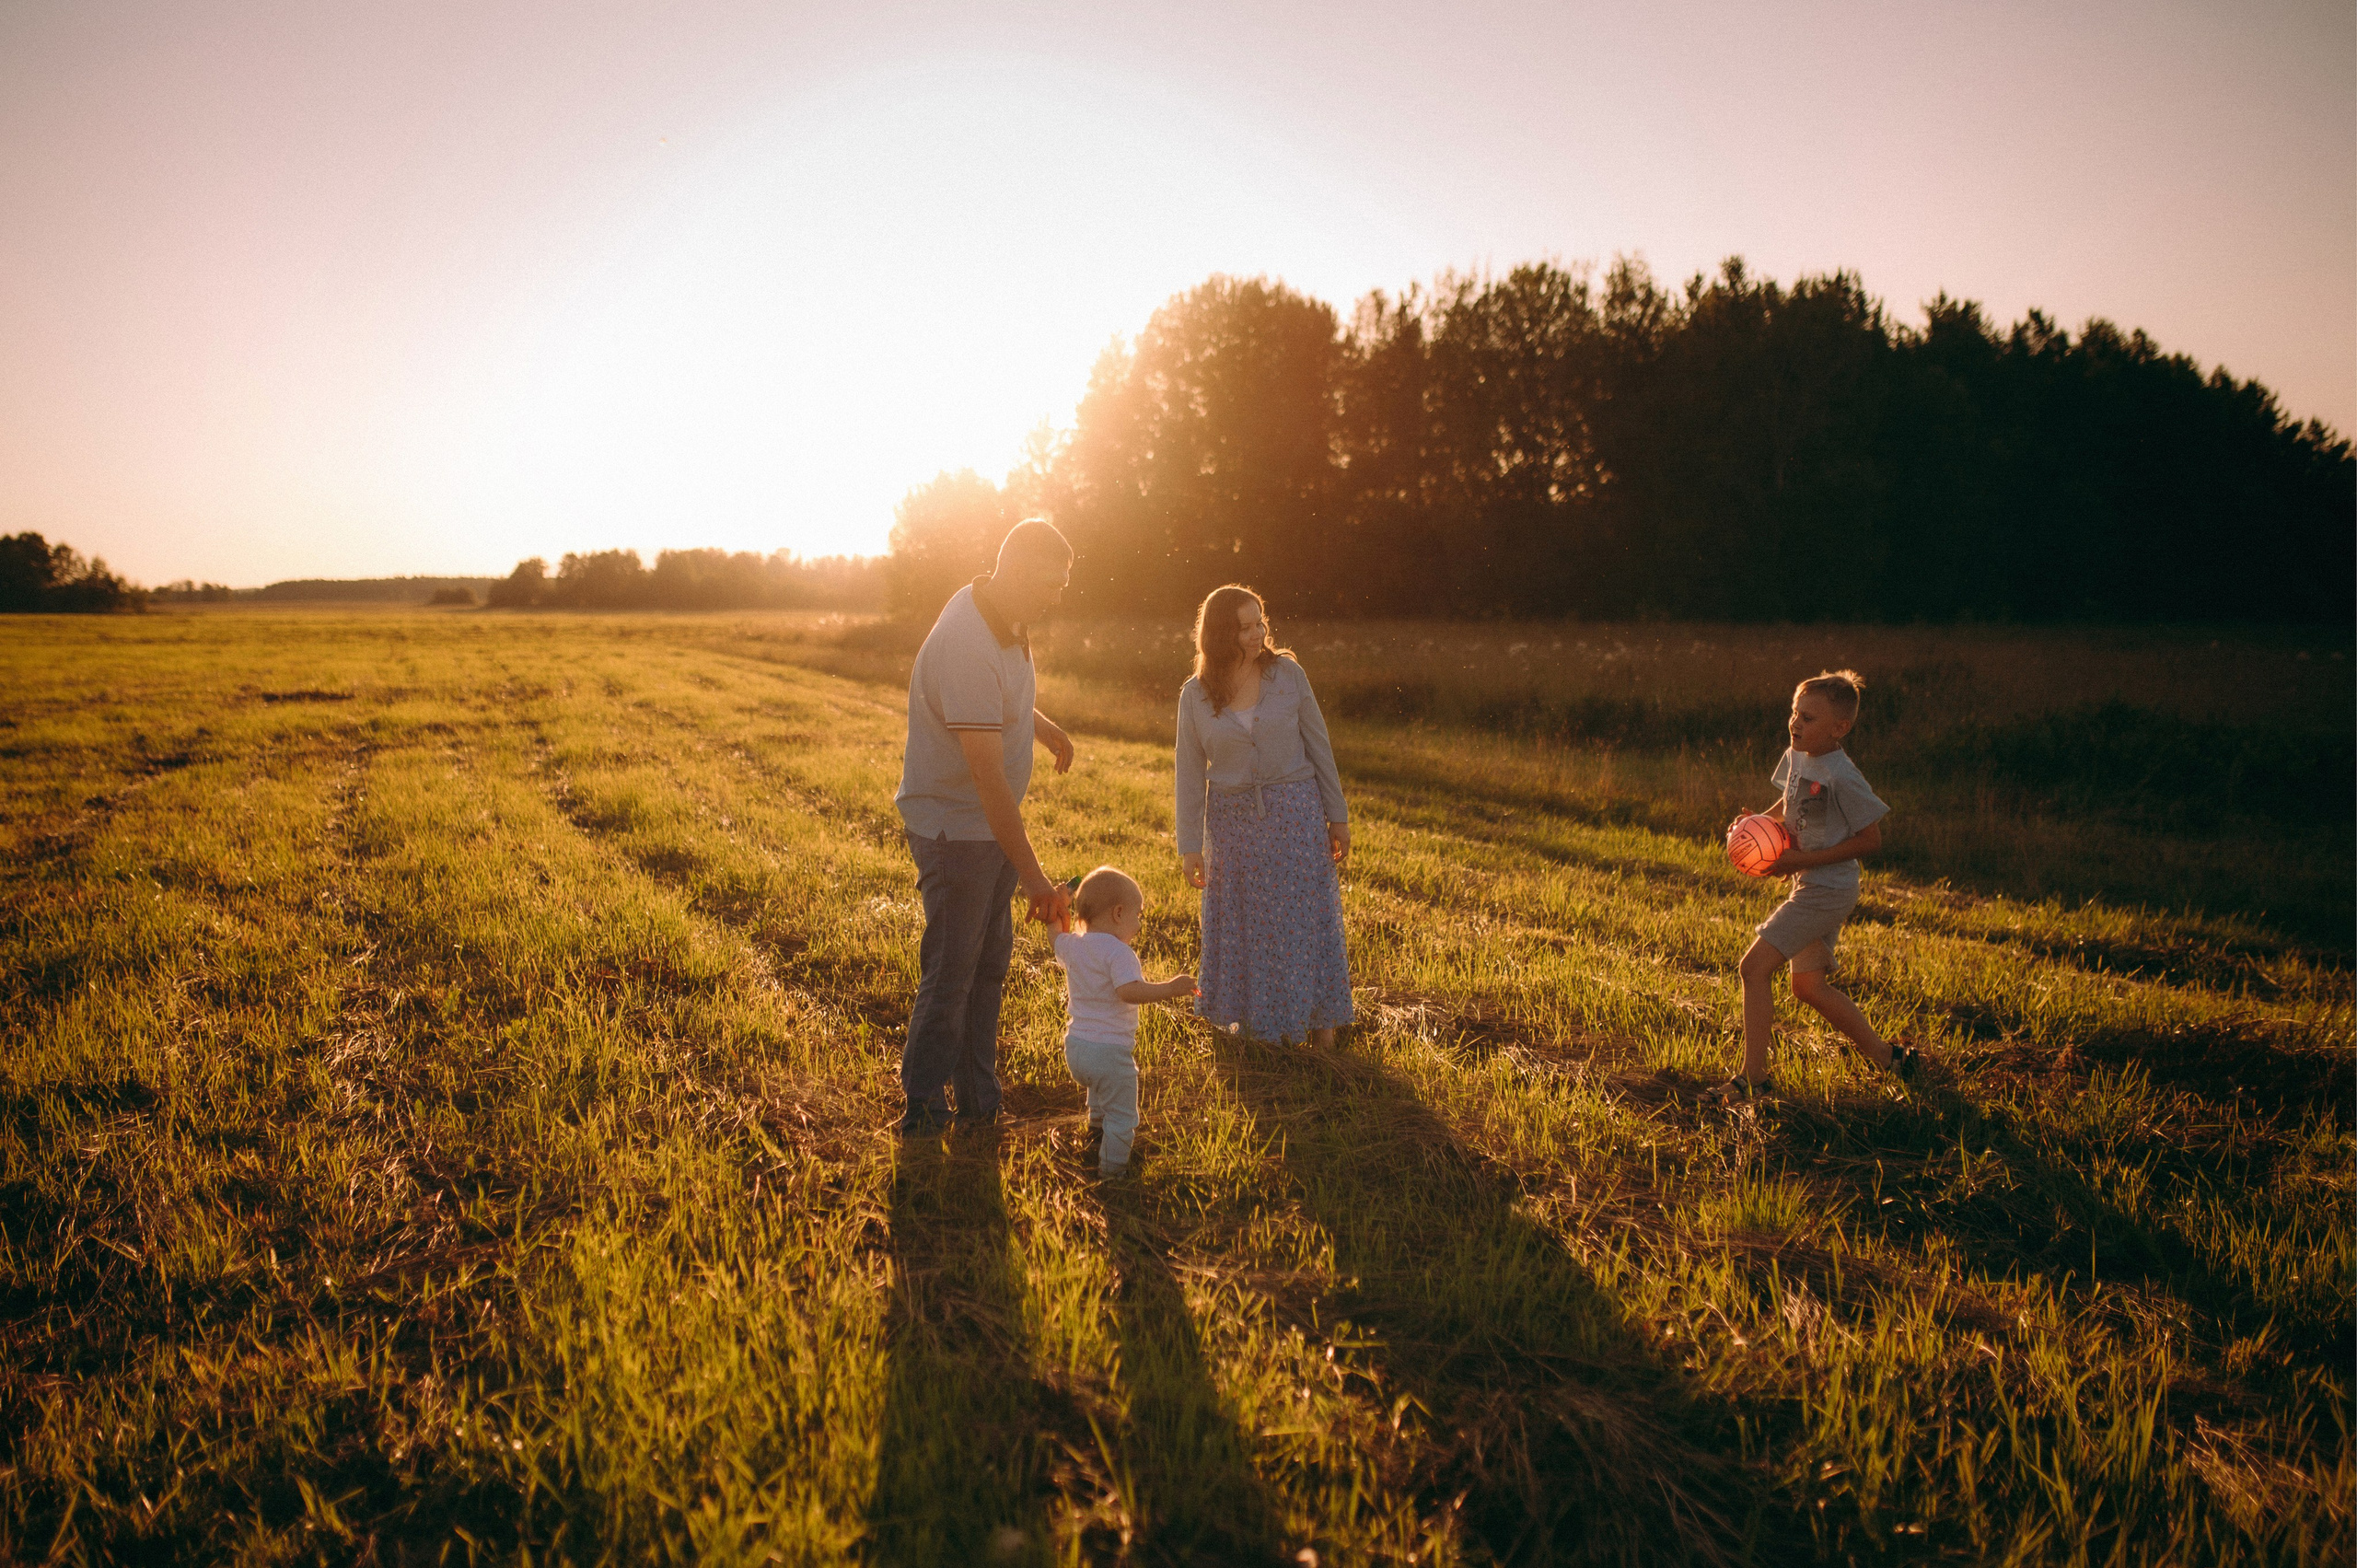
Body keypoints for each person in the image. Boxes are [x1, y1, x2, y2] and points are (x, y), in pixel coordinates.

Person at [892, 519, 1077, 1136]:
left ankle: (979, 1097)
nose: (1057, 597)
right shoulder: (968, 640)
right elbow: (988, 781)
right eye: (1051, 583)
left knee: (990, 961)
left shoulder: (999, 610)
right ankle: (923, 1105)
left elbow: (1001, 700)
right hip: (957, 829)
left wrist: (1043, 727)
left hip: (983, 827)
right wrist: (1035, 877)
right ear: (1019, 571)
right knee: (954, 967)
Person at [1709, 668, 1922, 1103]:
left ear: (1839, 727)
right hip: (1807, 884)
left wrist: (1799, 860)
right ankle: (1891, 1059)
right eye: (1794, 713)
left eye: (1807, 718)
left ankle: (1754, 1079)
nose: (1795, 723)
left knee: (1753, 968)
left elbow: (1871, 841)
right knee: (1809, 987)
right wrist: (1753, 827)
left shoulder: (1844, 775)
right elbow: (1787, 806)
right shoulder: (1796, 756)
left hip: (1828, 890)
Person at [1174, 585, 1353, 1047]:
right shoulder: (1194, 695)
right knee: (1245, 925)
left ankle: (1321, 1031)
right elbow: (1190, 775)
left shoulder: (1288, 675)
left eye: (1261, 623)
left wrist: (1338, 816)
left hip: (1295, 813)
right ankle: (1254, 1029)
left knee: (1303, 920)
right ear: (1219, 635)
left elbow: (1319, 745)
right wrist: (1189, 846)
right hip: (1232, 823)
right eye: (1246, 626)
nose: (1259, 633)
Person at [1052, 865, 1197, 1176]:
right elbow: (1128, 992)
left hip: (1076, 1048)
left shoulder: (1074, 945)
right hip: (1109, 1052)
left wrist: (1059, 907)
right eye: (1138, 915)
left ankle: (1095, 1133)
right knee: (1123, 1115)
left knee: (1100, 1096)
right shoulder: (1119, 953)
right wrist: (1170, 988)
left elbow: (1055, 936)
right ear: (1118, 913)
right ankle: (1113, 1173)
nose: (1140, 924)